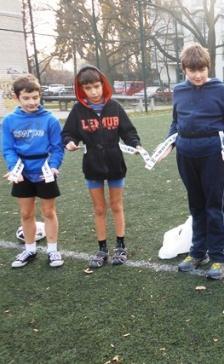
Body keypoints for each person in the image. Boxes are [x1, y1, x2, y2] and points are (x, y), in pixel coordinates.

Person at [158, 43, 224, 280]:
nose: (197, 75)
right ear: (184, 69)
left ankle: (219, 256)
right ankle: (197, 252)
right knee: (196, 205)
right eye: (192, 70)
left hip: (213, 154)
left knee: (214, 205)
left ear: (208, 66)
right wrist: (168, 145)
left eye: (201, 69)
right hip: (186, 154)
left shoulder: (221, 90)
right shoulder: (179, 91)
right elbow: (176, 123)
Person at [62, 65, 144, 269]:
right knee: (99, 209)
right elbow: (68, 133)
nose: (94, 92)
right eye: (88, 88)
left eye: (97, 86)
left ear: (103, 84)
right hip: (92, 167)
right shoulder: (78, 110)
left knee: (116, 205)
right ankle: (102, 249)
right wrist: (69, 142)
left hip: (116, 164)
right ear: (82, 90)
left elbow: (128, 131)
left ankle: (121, 246)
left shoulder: (115, 106)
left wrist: (136, 144)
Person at [2, 74, 64, 268]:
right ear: (17, 98)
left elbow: (57, 147)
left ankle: (53, 251)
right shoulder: (9, 121)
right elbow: (8, 148)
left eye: (35, 97)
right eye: (27, 98)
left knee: (48, 211)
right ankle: (29, 249)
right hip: (22, 172)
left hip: (45, 171)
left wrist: (54, 165)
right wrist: (14, 169)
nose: (32, 102)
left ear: (40, 96)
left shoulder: (50, 120)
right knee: (26, 213)